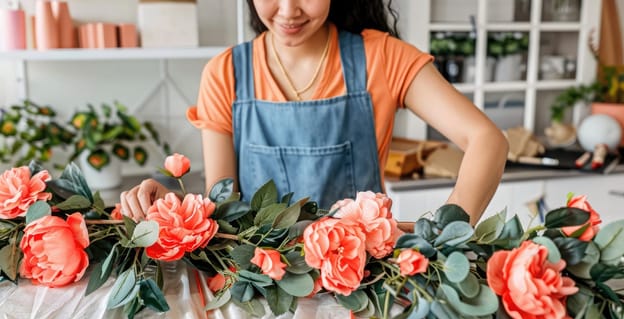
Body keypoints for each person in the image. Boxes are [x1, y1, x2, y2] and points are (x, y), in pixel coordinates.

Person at [120, 0, 509, 226]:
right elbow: (222, 207)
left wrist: (446, 231)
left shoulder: (383, 57)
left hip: (366, 281)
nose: (288, 10)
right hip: (261, 282)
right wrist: (171, 203)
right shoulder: (225, 74)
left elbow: (487, 140)